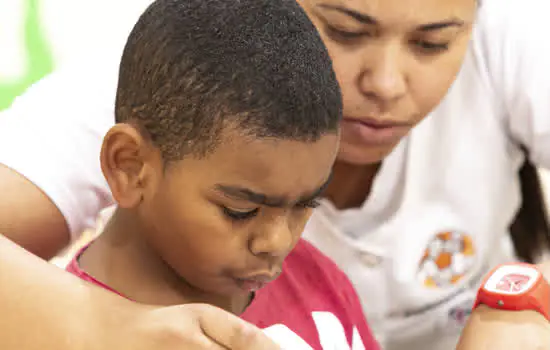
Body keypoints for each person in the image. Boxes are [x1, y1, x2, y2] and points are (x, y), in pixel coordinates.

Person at [1, 0, 550, 348]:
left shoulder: (312, 276)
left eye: (432, 44)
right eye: (345, 30)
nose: (385, 83)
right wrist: (104, 330)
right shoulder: (164, 82)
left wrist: (519, 318)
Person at [64, 0, 379, 348]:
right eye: (240, 211)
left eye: (305, 204)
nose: (277, 243)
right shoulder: (61, 334)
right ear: (130, 166)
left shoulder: (317, 279)